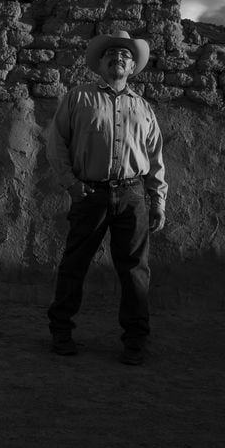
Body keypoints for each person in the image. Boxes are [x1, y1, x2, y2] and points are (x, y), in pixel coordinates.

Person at [46, 30, 168, 365]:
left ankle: (135, 341)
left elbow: (155, 157)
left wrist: (157, 199)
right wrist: (70, 184)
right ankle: (61, 331)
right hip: (90, 194)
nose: (119, 58)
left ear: (132, 67)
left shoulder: (143, 108)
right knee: (75, 264)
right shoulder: (78, 98)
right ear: (100, 64)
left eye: (126, 55)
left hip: (132, 196)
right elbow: (56, 142)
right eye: (111, 53)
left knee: (135, 271)